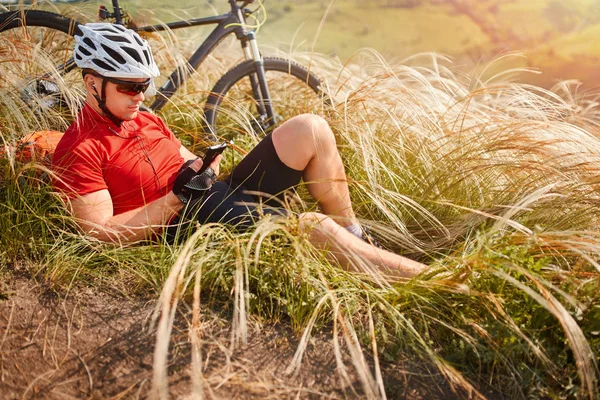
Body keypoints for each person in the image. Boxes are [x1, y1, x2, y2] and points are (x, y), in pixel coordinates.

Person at [51, 23, 426, 279]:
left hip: (217, 195)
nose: (142, 96)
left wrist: (203, 167)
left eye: (145, 85)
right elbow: (96, 234)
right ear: (92, 83)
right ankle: (433, 282)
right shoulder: (79, 149)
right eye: (130, 87)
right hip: (186, 227)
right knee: (313, 227)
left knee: (310, 129)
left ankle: (355, 236)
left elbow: (183, 161)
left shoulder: (144, 118)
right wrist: (175, 199)